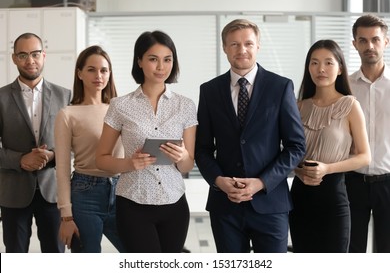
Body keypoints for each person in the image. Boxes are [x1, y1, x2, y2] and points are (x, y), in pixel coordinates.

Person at [195, 18, 306, 253]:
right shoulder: (209, 90)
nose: (241, 50)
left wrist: (262, 182)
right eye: (234, 44)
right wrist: (218, 181)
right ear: (224, 47)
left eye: (248, 43)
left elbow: (295, 146)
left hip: (271, 204)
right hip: (225, 205)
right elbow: (202, 148)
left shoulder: (281, 87)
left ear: (258, 46)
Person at [95, 30, 197, 253]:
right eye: (153, 59)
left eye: (167, 59)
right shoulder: (120, 106)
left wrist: (182, 157)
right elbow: (101, 159)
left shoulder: (185, 105)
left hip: (174, 203)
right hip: (133, 204)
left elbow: (188, 165)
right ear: (139, 61)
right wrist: (129, 164)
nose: (161, 67)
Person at [289, 39, 371, 253]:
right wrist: (298, 170)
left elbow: (364, 156)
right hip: (300, 196)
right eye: (314, 63)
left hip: (333, 196)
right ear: (308, 68)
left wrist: (327, 168)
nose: (321, 69)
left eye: (328, 63)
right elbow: (288, 152)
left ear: (340, 68)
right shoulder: (297, 107)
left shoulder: (350, 105)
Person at [0, 32, 71, 253]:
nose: (30, 60)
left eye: (35, 54)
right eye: (23, 55)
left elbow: (76, 145)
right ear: (14, 59)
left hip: (53, 191)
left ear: (44, 55)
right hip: (13, 192)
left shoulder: (65, 96)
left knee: (55, 254)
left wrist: (52, 155)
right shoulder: (1, 98)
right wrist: (21, 159)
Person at [55, 45, 125, 253]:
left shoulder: (120, 109)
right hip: (86, 193)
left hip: (122, 191)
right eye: (91, 70)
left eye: (104, 70)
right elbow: (61, 169)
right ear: (80, 73)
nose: (98, 76)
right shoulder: (68, 114)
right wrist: (66, 216)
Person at [345, 14, 390, 253]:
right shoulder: (345, 87)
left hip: (388, 181)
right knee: (352, 251)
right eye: (362, 40)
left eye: (375, 39)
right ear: (355, 44)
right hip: (353, 182)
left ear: (386, 42)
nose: (369, 46)